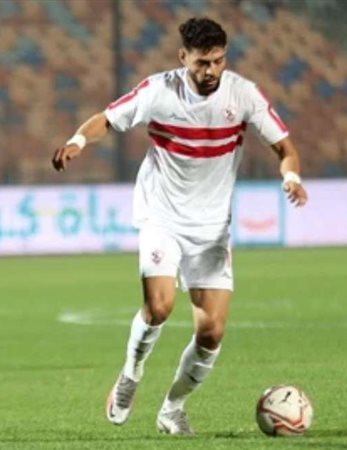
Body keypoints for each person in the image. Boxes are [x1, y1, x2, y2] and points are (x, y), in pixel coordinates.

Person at [51, 18, 307, 435]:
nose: (211, 70)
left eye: (218, 61)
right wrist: (78, 142)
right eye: (202, 62)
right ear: (182, 57)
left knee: (212, 332)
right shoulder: (159, 91)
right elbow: (106, 119)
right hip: (162, 216)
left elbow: (285, 148)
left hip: (212, 228)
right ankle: (131, 374)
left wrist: (290, 177)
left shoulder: (243, 94)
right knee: (160, 306)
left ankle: (172, 408)